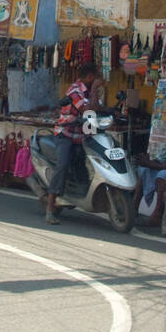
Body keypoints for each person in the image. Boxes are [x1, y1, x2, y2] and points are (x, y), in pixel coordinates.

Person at [44, 64, 105, 225]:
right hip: (66, 134)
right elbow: (87, 110)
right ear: (91, 77)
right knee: (62, 165)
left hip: (83, 135)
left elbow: (97, 108)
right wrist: (94, 91)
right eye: (97, 77)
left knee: (87, 164)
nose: (100, 80)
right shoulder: (75, 90)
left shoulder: (89, 91)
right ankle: (50, 207)